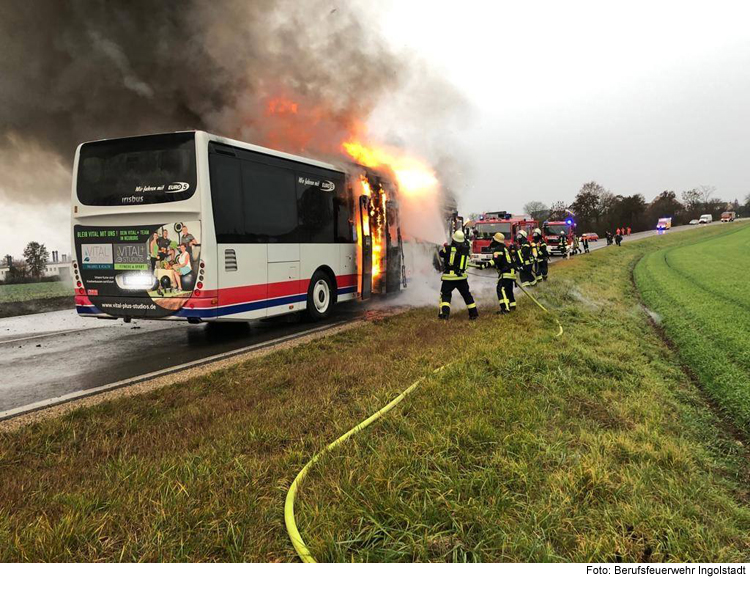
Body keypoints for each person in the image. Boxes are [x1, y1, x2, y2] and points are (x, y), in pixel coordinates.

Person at [438, 230, 478, 321]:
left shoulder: (447, 248)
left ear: (453, 239)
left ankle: (444, 314)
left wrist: (445, 246)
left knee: (445, 295)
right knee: (467, 295)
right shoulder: (465, 249)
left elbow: (441, 254)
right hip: (461, 277)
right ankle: (473, 314)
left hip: (449, 278)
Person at [480, 232, 516, 314]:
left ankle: (505, 309)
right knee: (508, 290)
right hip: (511, 271)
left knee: (500, 288)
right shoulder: (505, 248)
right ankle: (512, 305)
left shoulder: (498, 249)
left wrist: (485, 265)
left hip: (506, 272)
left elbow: (495, 261)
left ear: (496, 241)